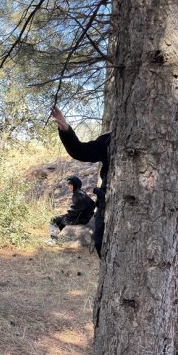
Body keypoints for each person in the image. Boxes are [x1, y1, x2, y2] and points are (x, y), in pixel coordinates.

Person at [50, 106, 110, 256]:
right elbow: (80, 151)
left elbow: (82, 208)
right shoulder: (111, 139)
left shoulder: (79, 195)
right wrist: (65, 129)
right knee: (101, 244)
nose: (69, 187)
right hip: (108, 206)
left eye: (70, 185)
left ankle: (53, 238)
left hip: (82, 218)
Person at [48, 175, 95, 243]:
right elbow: (92, 204)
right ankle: (62, 238)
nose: (69, 187)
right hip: (85, 217)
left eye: (71, 185)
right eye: (69, 185)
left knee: (54, 220)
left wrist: (69, 212)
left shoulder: (77, 194)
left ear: (76, 185)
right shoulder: (82, 192)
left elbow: (78, 208)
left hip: (80, 219)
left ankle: (54, 240)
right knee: (61, 218)